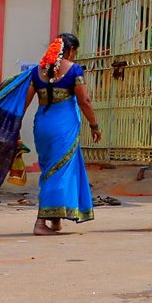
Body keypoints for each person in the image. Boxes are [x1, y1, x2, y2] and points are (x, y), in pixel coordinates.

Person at [23, 34, 101, 233]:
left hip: (42, 126)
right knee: (57, 173)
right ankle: (40, 222)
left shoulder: (37, 71)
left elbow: (24, 102)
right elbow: (85, 101)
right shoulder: (74, 70)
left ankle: (55, 219)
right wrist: (94, 125)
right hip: (63, 127)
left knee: (50, 169)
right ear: (71, 49)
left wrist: (12, 126)